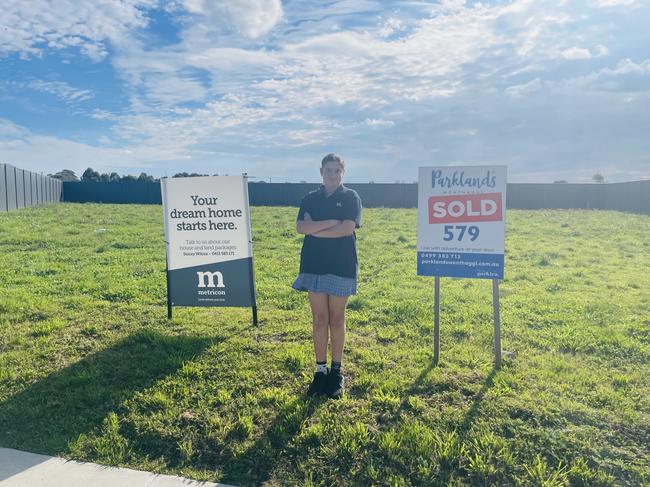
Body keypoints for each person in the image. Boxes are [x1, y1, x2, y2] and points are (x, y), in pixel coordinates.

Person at [293, 153, 362, 399]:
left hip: (341, 265)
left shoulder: (351, 197)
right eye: (328, 170)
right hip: (314, 265)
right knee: (319, 319)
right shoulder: (310, 197)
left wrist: (317, 228)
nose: (332, 175)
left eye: (337, 171)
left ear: (342, 172)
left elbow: (347, 229)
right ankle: (320, 371)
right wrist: (331, 222)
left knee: (337, 319)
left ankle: (336, 372)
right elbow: (301, 227)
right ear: (321, 171)